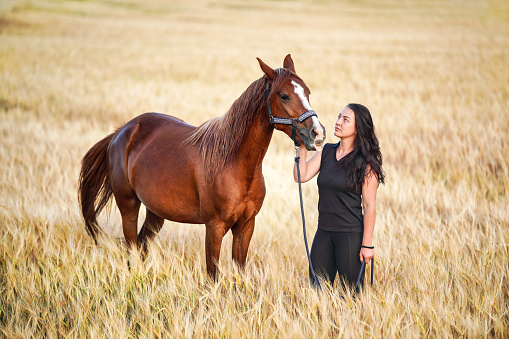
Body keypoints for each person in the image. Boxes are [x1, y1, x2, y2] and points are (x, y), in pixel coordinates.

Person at [293, 103, 385, 290]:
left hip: (350, 235)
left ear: (358, 128)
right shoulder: (326, 152)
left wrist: (367, 244)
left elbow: (369, 206)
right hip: (324, 232)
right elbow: (300, 176)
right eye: (338, 117)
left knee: (351, 296)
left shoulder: (366, 164)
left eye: (345, 120)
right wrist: (302, 145)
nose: (338, 122)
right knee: (316, 292)